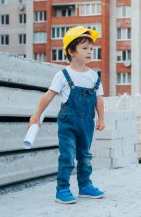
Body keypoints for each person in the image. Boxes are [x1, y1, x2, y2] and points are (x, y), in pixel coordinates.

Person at [29, 26, 106, 204]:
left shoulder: (94, 76)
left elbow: (99, 99)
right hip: (68, 123)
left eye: (91, 49)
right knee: (67, 156)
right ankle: (62, 188)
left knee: (85, 156)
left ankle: (85, 186)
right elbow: (48, 96)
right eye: (84, 48)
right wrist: (36, 116)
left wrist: (101, 118)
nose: (89, 52)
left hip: (87, 122)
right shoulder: (63, 75)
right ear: (71, 51)